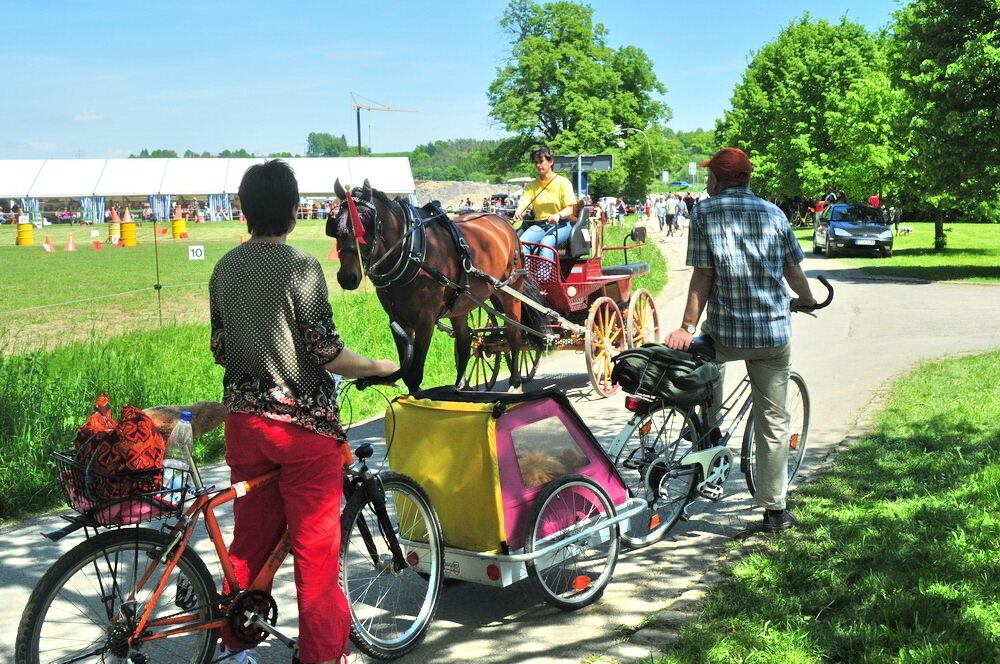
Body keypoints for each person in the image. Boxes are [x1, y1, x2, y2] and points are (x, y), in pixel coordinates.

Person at [209, 160, 398, 664]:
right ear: (294, 211)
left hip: (244, 424)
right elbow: (326, 352)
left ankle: (236, 649)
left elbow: (222, 348)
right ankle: (320, 655)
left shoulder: (225, 266)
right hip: (301, 429)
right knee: (316, 554)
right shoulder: (300, 268)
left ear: (244, 211)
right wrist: (377, 365)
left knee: (249, 541)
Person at [665, 147, 816, 535]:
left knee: (705, 355)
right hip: (771, 335)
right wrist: (807, 298)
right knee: (774, 421)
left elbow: (703, 275)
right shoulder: (774, 213)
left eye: (708, 177)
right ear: (747, 178)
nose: (706, 183)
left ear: (717, 179)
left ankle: (710, 430)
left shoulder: (703, 212)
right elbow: (792, 270)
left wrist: (685, 325)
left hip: (725, 334)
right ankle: (775, 510)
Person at [513, 145, 577, 261]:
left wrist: (558, 215)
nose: (538, 165)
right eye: (536, 162)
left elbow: (570, 209)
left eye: (541, 161)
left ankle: (545, 278)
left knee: (546, 242)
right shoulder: (532, 185)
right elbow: (525, 201)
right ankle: (526, 276)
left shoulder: (563, 183)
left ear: (551, 161)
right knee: (522, 243)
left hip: (561, 225)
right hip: (539, 225)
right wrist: (519, 210)